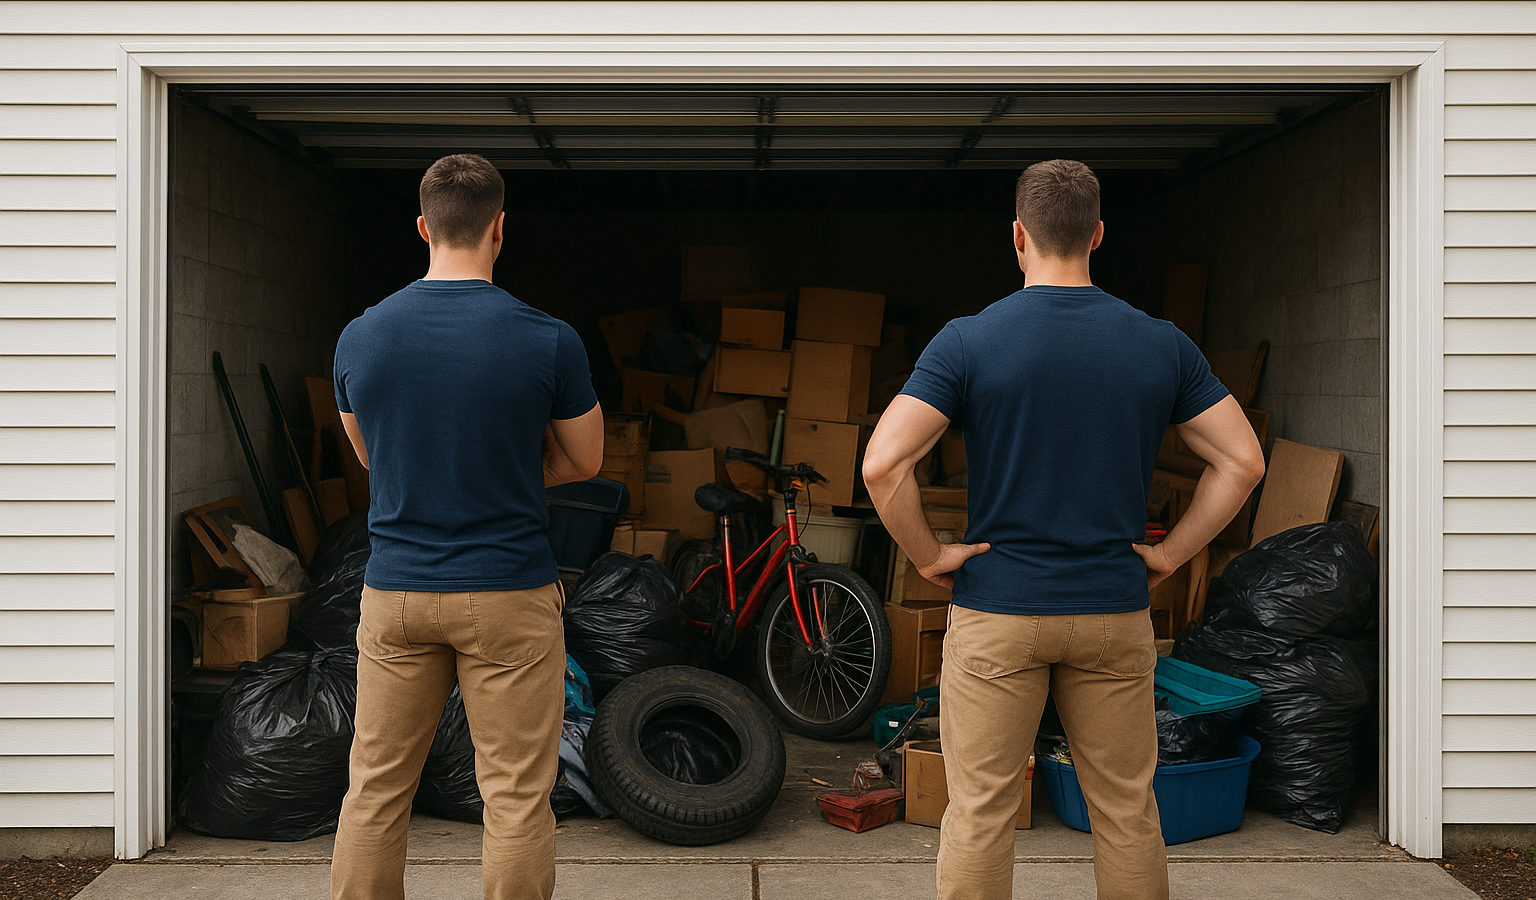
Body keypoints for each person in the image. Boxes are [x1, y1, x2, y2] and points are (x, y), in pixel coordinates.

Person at [863, 159, 1265, 900]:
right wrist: (1170, 555)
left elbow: (884, 465)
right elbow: (1242, 461)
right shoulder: (1160, 342)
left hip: (999, 609)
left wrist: (929, 556)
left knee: (981, 811)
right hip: (1113, 609)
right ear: (1098, 234)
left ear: (1017, 235)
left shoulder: (968, 340)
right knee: (1126, 811)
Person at [329, 153, 603, 900]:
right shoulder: (548, 338)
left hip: (397, 593)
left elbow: (372, 458)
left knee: (376, 791)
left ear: (423, 226)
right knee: (515, 797)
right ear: (499, 228)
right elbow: (586, 460)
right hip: (509, 592)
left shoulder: (361, 337)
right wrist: (511, 465)